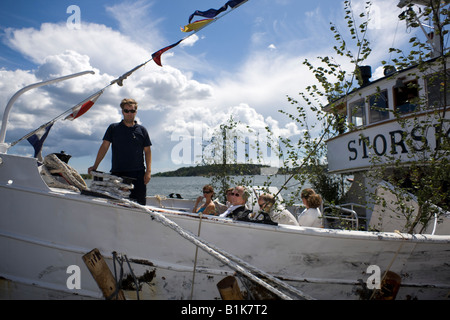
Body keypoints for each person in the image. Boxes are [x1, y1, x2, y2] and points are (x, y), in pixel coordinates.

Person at [88, 98, 152, 205]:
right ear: (122, 111)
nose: (129, 113)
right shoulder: (113, 128)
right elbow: (104, 147)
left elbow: (147, 151)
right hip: (118, 174)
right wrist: (95, 166)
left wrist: (148, 172)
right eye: (126, 111)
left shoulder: (142, 130)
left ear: (136, 112)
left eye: (132, 111)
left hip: (138, 174)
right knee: (117, 205)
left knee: (140, 205)